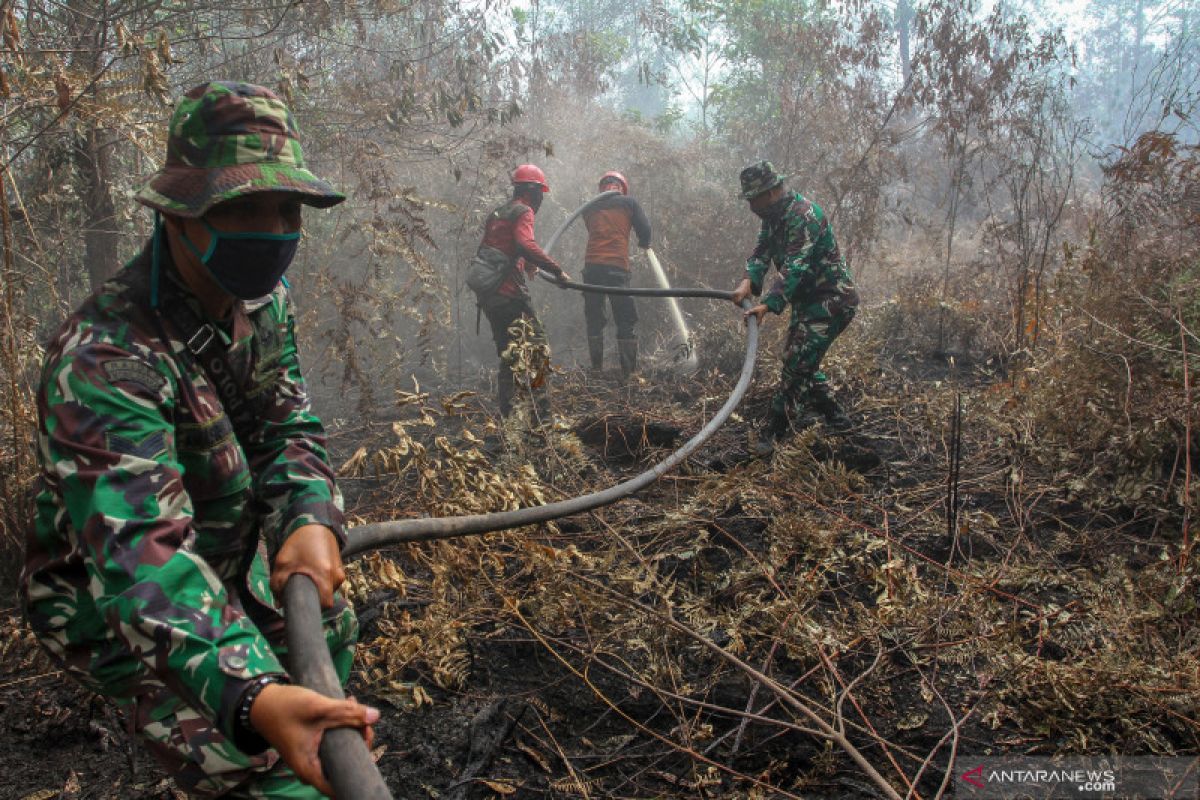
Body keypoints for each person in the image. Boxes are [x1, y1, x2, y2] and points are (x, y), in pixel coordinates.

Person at [22, 81, 378, 798]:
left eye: (286, 208)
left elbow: (287, 423)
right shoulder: (104, 359)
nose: (272, 229)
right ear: (178, 215)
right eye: (241, 207)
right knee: (276, 772)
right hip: (114, 597)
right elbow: (141, 558)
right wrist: (254, 699)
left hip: (225, 547)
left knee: (329, 630)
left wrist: (311, 514)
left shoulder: (261, 301)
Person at [730, 160, 859, 456]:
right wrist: (748, 281)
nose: (751, 206)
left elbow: (795, 267)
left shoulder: (804, 215)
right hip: (808, 302)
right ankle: (836, 417)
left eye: (754, 199)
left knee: (796, 362)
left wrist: (768, 305)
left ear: (772, 191)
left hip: (832, 300)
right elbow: (761, 252)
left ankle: (775, 430)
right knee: (800, 358)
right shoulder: (773, 218)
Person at [468, 164, 571, 419]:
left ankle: (510, 417)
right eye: (540, 193)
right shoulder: (523, 211)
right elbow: (524, 243)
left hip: (490, 297)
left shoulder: (498, 212)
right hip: (509, 295)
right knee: (538, 350)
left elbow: (500, 247)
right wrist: (557, 270)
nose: (541, 199)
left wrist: (529, 266)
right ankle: (542, 417)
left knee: (508, 355)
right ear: (533, 191)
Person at [581, 170, 652, 378]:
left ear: (602, 187)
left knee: (594, 317)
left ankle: (596, 369)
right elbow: (645, 229)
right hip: (616, 267)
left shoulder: (589, 207)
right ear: (621, 187)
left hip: (591, 268)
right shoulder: (629, 203)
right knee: (625, 317)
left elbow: (594, 229)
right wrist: (644, 243)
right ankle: (628, 373)